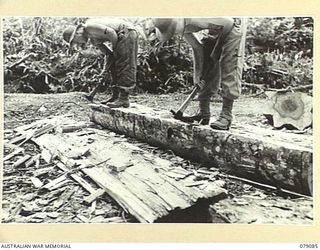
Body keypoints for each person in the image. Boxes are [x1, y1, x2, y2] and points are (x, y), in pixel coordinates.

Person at [151, 18, 247, 130]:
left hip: (233, 24)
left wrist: (217, 49)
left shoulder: (196, 17)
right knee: (207, 58)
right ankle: (204, 113)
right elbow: (197, 48)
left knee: (229, 63)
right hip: (218, 27)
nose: (175, 33)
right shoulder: (180, 26)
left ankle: (226, 115)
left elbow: (229, 23)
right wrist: (197, 75)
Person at [63, 18, 138, 108]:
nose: (79, 43)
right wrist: (105, 68)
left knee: (124, 64)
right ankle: (115, 96)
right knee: (114, 65)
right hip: (121, 36)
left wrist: (115, 51)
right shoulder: (93, 40)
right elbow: (108, 55)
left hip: (126, 32)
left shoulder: (89, 27)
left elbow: (112, 33)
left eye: (76, 41)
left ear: (77, 33)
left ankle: (123, 98)